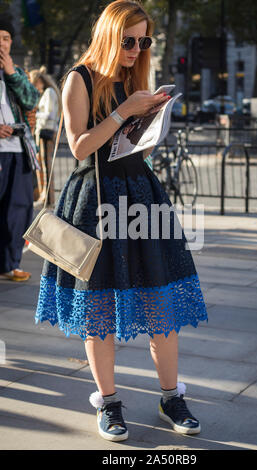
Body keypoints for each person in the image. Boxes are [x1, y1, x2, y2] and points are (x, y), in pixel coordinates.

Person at [35, 0, 207, 442]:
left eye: (143, 40)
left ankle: (172, 395)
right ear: (110, 35)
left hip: (141, 195)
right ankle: (109, 403)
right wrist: (124, 112)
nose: (136, 49)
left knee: (160, 301)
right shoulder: (80, 77)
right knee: (98, 309)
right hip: (93, 200)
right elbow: (79, 146)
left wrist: (148, 123)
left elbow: (132, 149)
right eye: (129, 40)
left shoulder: (135, 78)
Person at [0, 18, 40, 282]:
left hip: (20, 149)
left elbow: (31, 100)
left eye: (5, 38)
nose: (1, 43)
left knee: (20, 210)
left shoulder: (18, 73)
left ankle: (9, 264)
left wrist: (11, 72)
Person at [29, 67, 62, 204]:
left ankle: (48, 197)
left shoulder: (49, 93)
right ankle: (45, 195)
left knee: (46, 166)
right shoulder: (47, 93)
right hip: (43, 131)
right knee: (42, 165)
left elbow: (50, 114)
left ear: (39, 80)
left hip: (46, 132)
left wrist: (35, 114)